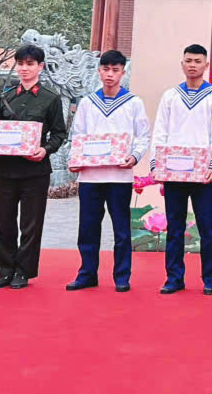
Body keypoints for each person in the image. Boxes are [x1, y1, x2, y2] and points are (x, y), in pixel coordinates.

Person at [65, 50, 150, 293]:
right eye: (106, 69)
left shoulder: (133, 102)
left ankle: (122, 276)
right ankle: (87, 273)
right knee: (88, 227)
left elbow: (143, 136)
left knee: (121, 229)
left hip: (119, 176)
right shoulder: (87, 102)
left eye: (115, 70)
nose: (110, 74)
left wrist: (134, 156)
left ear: (123, 72)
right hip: (90, 176)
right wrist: (74, 160)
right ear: (99, 71)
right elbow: (78, 135)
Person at [0, 43, 68, 290]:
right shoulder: (6, 97)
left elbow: (59, 133)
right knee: (2, 222)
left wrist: (46, 149)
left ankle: (23, 271)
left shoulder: (50, 99)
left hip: (35, 171)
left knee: (30, 224)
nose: (24, 68)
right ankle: (4, 270)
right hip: (5, 169)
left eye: (30, 64)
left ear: (40, 67)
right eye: (20, 63)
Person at [151, 44, 212, 295]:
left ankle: (210, 279)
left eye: (197, 61)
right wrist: (156, 164)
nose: (192, 65)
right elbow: (160, 131)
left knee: (207, 228)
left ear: (206, 65)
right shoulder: (170, 96)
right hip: (173, 172)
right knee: (175, 227)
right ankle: (174, 278)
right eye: (188, 61)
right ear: (182, 64)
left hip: (203, 173)